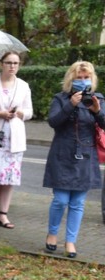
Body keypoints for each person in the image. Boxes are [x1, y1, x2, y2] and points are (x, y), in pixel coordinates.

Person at [43, 61, 104, 258]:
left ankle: (71, 241)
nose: (83, 81)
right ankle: (52, 234)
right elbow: (53, 121)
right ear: (71, 78)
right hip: (62, 153)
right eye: (79, 77)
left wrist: (97, 111)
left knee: (78, 202)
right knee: (60, 200)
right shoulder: (60, 98)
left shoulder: (98, 99)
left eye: (86, 77)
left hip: (85, 155)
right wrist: (71, 105)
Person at [0, 51, 33, 229]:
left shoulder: (23, 86)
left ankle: (3, 214)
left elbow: (29, 112)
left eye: (16, 63)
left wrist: (20, 113)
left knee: (9, 177)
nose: (12, 66)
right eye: (9, 62)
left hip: (15, 136)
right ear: (1, 64)